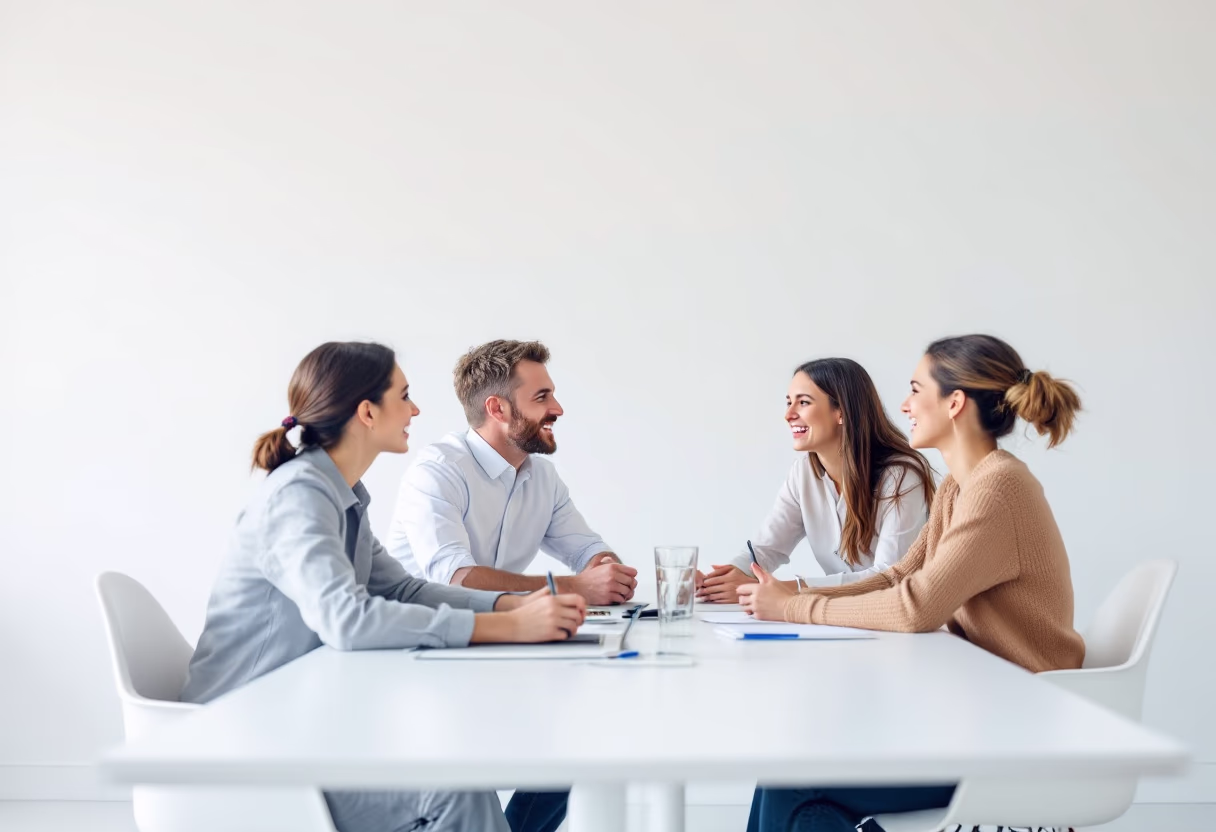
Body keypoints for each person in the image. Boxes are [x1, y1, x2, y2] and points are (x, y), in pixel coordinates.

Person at [181, 341, 584, 832]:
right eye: (405, 395)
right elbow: (347, 620)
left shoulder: (342, 495)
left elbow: (405, 590)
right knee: (458, 791)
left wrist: (513, 605)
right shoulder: (299, 496)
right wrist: (507, 626)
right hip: (245, 746)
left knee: (475, 769)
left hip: (297, 725)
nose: (416, 409)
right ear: (367, 412)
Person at [738, 334, 1086, 832]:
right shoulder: (959, 486)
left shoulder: (998, 489)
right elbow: (898, 574)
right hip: (982, 717)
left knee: (798, 782)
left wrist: (794, 607)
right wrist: (791, 595)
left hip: (1015, 736)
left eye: (916, 389)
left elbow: (916, 606)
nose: (904, 405)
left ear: (955, 403)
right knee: (789, 764)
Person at [388, 339, 637, 605]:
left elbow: (588, 550)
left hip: (494, 632)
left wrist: (609, 575)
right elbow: (455, 580)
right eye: (542, 397)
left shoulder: (543, 478)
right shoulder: (437, 471)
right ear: (497, 409)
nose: (558, 409)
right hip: (418, 636)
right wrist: (573, 587)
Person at [697, 358, 934, 603]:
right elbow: (766, 549)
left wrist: (787, 589)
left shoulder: (902, 476)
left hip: (894, 624)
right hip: (838, 619)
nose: (788, 415)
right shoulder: (803, 474)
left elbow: (889, 577)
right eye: (789, 403)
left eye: (803, 402)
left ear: (841, 411)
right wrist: (711, 583)